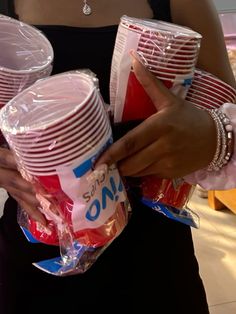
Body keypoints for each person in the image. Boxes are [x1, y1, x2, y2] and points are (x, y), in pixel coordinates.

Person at [0, 0, 235, 313]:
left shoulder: (184, 3)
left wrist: (216, 136)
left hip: (155, 261)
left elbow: (224, 105)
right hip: (35, 255)